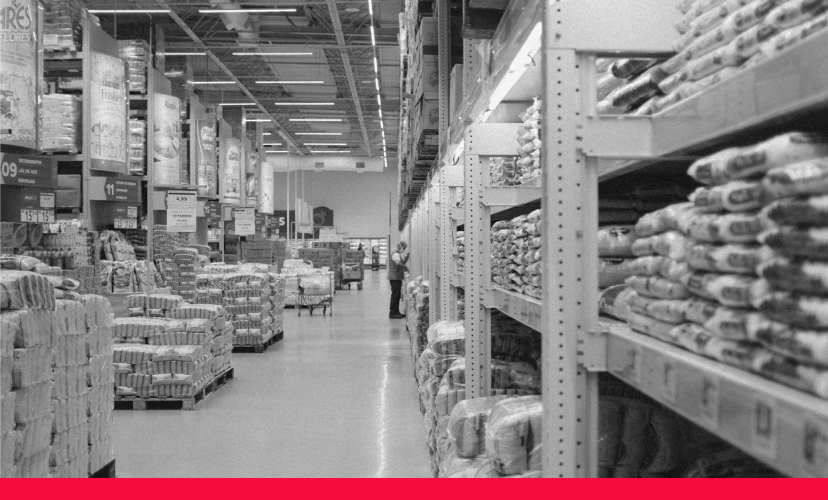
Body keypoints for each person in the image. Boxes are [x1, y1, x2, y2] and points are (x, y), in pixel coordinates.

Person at [388, 241, 409, 319]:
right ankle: (393, 312)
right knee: (395, 295)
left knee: (397, 295)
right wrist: (406, 267)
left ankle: (396, 311)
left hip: (396, 278)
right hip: (395, 278)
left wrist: (406, 259)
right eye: (404, 248)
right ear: (400, 246)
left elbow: (400, 263)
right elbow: (397, 263)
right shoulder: (396, 254)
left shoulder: (396, 253)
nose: (404, 249)